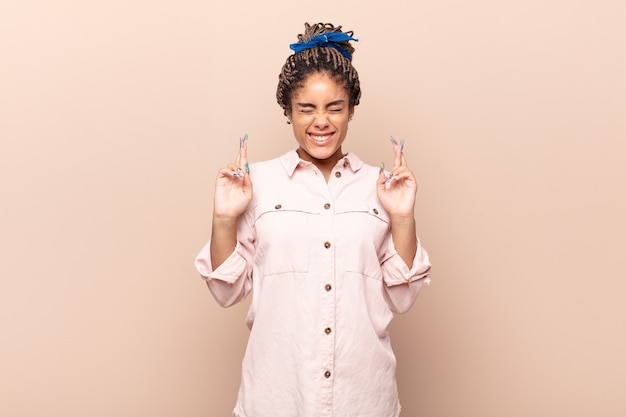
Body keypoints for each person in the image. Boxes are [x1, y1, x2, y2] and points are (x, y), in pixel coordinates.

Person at [195, 22, 431, 417]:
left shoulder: (381, 185)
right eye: (307, 108)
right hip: (277, 396)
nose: (321, 121)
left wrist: (403, 217)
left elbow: (402, 297)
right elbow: (226, 292)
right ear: (288, 111)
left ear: (351, 109)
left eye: (334, 107)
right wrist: (223, 217)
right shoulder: (258, 184)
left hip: (363, 398)